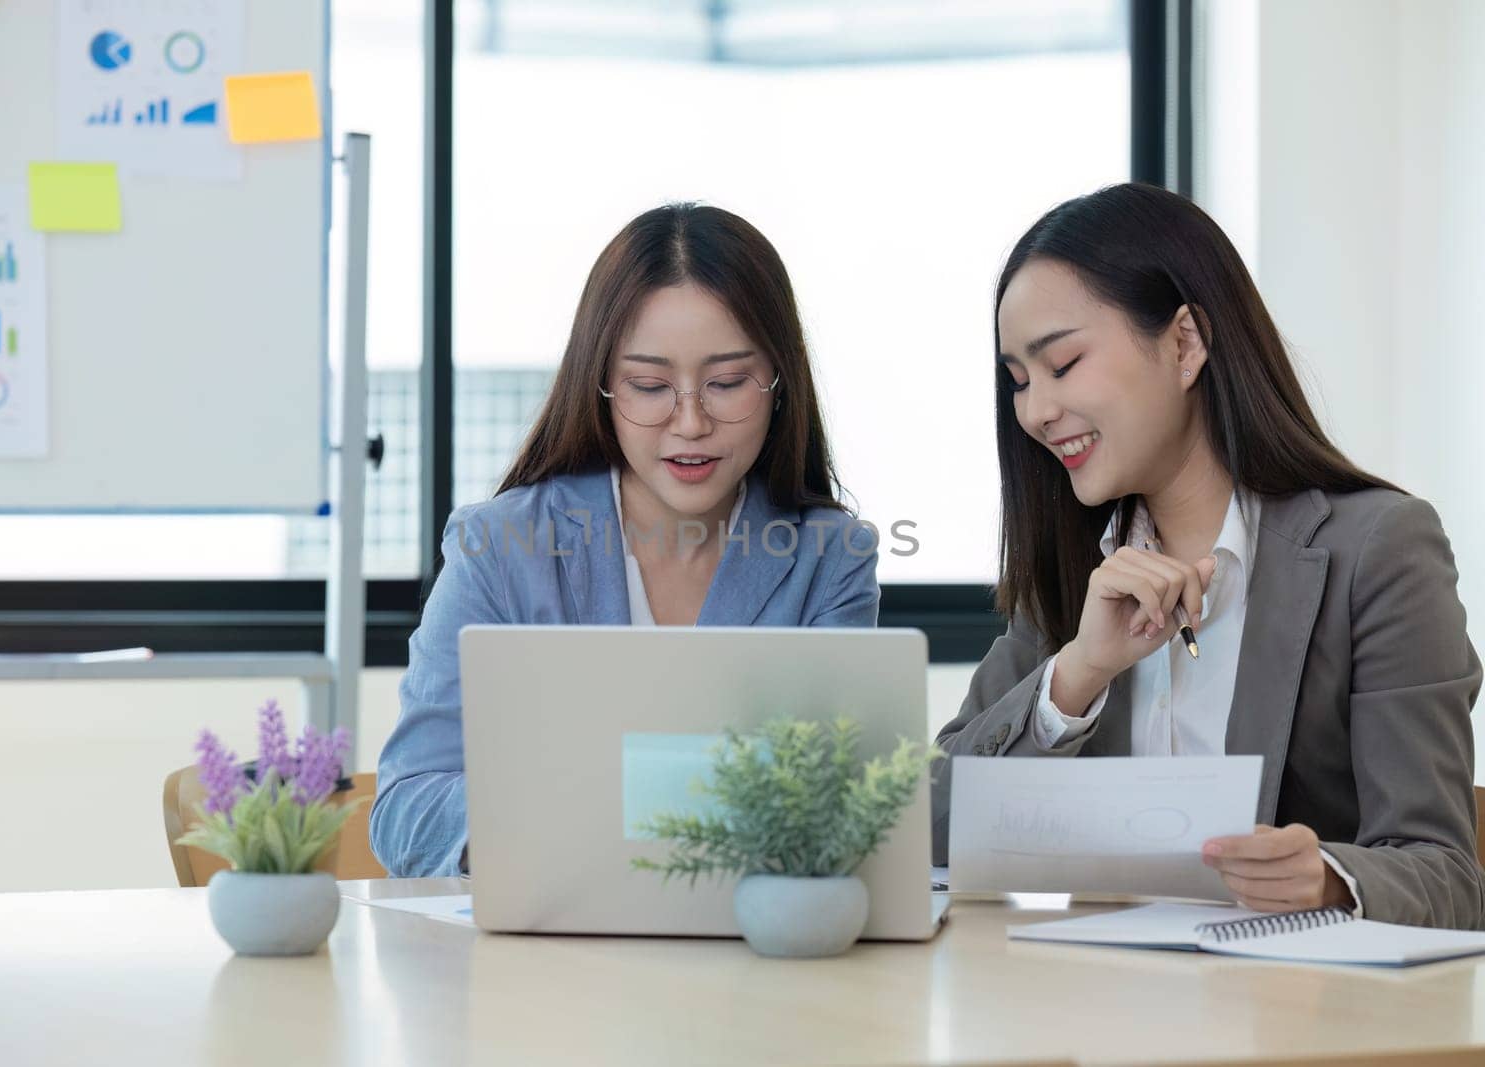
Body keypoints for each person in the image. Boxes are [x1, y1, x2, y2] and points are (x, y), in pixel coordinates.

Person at [932, 182, 1483, 928]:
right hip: (1088, 1016)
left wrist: (1325, 876)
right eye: (1019, 381)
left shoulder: (1378, 550)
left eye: (1061, 365)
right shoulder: (1072, 564)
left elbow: (1446, 873)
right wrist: (1080, 672)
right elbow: (931, 830)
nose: (1034, 411)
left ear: (1185, 342)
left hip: (1291, 1021)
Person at [372, 203, 880, 877]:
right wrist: (598, 814)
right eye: (650, 385)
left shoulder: (830, 558)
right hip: (549, 958)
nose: (691, 421)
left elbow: (838, 813)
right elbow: (405, 812)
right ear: (603, 384)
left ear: (779, 382)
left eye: (727, 382)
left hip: (754, 952)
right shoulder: (499, 547)